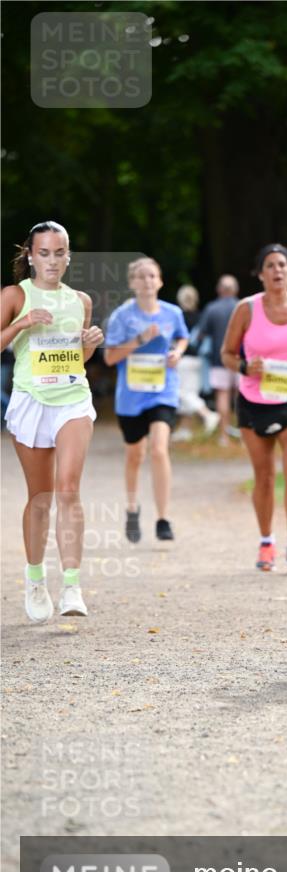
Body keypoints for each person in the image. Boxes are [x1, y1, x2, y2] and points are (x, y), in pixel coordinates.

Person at [0, 220, 104, 622]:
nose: (51, 260)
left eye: (59, 253)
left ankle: (73, 587)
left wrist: (88, 345)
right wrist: (22, 323)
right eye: (43, 253)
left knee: (68, 489)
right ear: (30, 255)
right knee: (40, 498)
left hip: (72, 399)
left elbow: (79, 358)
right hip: (31, 399)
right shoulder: (15, 295)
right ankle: (35, 579)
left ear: (68, 256)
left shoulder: (81, 300)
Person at [222, 244, 287, 572]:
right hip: (254, 401)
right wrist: (244, 367)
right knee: (263, 476)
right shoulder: (246, 309)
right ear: (260, 273)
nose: (277, 270)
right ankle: (266, 543)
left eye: (282, 265)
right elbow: (226, 354)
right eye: (270, 265)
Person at [104, 257, 189, 543]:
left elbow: (182, 338)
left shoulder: (172, 312)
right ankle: (131, 508)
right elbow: (110, 356)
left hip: (163, 391)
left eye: (152, 276)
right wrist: (139, 340)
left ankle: (163, 518)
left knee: (158, 449)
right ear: (132, 283)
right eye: (141, 276)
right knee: (135, 455)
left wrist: (177, 352)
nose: (147, 281)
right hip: (130, 398)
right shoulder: (121, 316)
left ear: (161, 281)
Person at [172, 284, 219, 441]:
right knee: (189, 392)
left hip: (183, 360)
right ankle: (186, 429)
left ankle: (208, 414)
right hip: (199, 360)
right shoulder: (200, 316)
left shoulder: (178, 317)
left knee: (183, 393)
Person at [199, 274, 240, 446]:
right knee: (241, 398)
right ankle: (244, 435)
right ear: (235, 290)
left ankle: (224, 436)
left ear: (219, 290)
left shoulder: (211, 309)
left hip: (219, 359)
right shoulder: (243, 306)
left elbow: (201, 334)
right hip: (240, 359)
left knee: (222, 397)